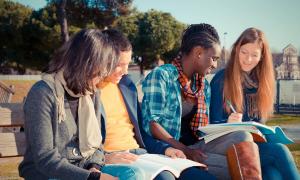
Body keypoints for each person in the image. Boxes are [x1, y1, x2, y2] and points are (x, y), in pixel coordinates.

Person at [18, 29, 144, 180]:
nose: (103, 76)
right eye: (101, 71)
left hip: (83, 167)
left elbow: (97, 146)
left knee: (133, 174)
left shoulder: (92, 92)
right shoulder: (43, 93)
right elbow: (45, 158)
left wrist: (94, 167)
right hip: (48, 173)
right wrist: (92, 178)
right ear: (84, 64)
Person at [141, 23, 259, 180]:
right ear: (198, 53)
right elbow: (152, 124)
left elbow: (203, 130)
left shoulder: (203, 85)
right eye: (214, 58)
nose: (215, 64)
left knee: (242, 137)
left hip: (196, 146)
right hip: (169, 150)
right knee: (236, 167)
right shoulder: (162, 76)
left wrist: (228, 127)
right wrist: (186, 151)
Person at [98, 28, 216, 180]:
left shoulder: (126, 86)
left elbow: (142, 133)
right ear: (103, 58)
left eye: (128, 64)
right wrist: (104, 158)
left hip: (141, 154)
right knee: (166, 178)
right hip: (114, 157)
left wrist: (167, 149)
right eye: (120, 64)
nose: (126, 71)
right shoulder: (90, 91)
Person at [210, 27, 299, 180]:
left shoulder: (262, 84)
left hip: (255, 145)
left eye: (254, 55)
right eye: (244, 52)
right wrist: (227, 122)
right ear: (236, 50)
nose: (248, 59)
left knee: (273, 174)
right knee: (280, 151)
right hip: (227, 145)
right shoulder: (221, 79)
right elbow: (211, 124)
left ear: (262, 57)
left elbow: (259, 125)